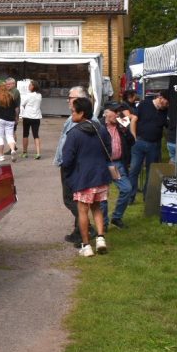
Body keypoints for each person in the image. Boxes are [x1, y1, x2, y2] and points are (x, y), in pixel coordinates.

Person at [61, 96, 112, 257]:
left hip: (83, 178)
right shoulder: (101, 129)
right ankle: (101, 239)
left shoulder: (74, 133)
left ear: (81, 113)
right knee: (97, 208)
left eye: (73, 111)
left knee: (82, 211)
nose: (71, 114)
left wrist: (69, 175)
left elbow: (67, 159)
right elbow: (109, 151)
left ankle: (86, 245)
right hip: (100, 176)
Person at [54, 86, 89, 243]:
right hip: (68, 162)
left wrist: (67, 163)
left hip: (74, 165)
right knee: (75, 199)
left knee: (70, 199)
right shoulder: (72, 118)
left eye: (71, 98)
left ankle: (88, 229)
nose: (68, 100)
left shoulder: (85, 120)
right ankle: (79, 232)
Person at [126, 89, 170, 204]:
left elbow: (167, 127)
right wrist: (134, 138)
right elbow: (134, 120)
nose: (167, 105)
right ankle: (130, 197)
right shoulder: (144, 104)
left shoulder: (165, 111)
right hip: (139, 142)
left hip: (154, 145)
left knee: (151, 172)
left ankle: (147, 197)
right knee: (134, 170)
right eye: (167, 102)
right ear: (160, 98)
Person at [99, 101, 135, 229]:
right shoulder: (98, 125)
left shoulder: (122, 123)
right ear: (107, 113)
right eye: (116, 112)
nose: (118, 114)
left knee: (127, 189)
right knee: (102, 194)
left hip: (117, 163)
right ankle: (103, 223)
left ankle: (117, 217)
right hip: (102, 164)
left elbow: (132, 142)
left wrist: (126, 129)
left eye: (119, 112)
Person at [0, 85, 19, 162]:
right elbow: (17, 109)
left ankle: (0, 155)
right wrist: (16, 117)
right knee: (9, 136)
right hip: (10, 119)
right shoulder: (11, 97)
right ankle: (12, 150)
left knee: (0, 137)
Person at [19, 79, 43, 159]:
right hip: (36, 117)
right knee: (36, 135)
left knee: (25, 134)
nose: (28, 86)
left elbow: (22, 103)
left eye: (30, 85)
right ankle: (38, 152)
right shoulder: (39, 95)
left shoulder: (28, 95)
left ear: (33, 87)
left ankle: (25, 152)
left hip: (27, 116)